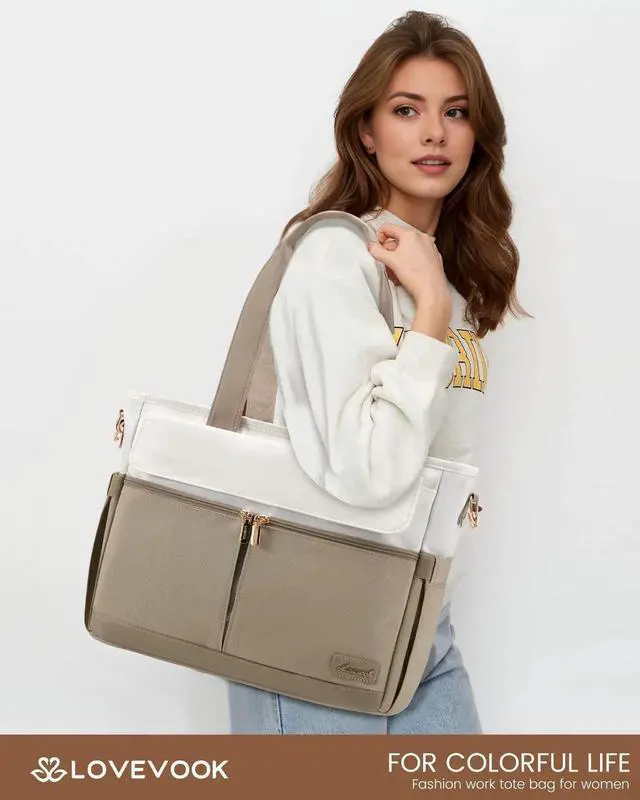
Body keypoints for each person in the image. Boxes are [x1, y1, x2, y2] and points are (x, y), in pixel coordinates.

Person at [227, 10, 529, 734]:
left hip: (423, 621)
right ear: (366, 130)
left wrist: (435, 298)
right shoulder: (336, 256)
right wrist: (430, 314)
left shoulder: (440, 278)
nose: (435, 134)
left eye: (456, 112)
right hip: (314, 620)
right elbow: (368, 474)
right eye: (406, 110)